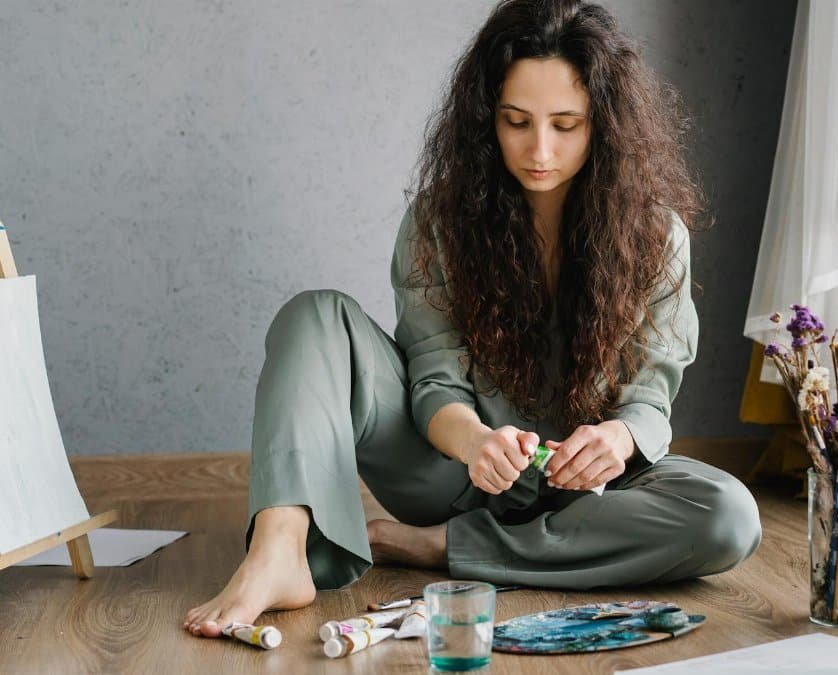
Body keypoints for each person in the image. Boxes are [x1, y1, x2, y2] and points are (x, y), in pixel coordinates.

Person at [185, 0, 761, 638]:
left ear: (606, 126)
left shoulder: (659, 238)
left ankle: (441, 548)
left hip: (593, 496)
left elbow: (651, 399)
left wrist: (616, 441)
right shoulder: (438, 222)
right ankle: (280, 550)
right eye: (517, 121)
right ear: (486, 119)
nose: (539, 149)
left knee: (728, 516)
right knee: (314, 315)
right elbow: (433, 379)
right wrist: (475, 442)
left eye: (566, 125)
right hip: (451, 474)